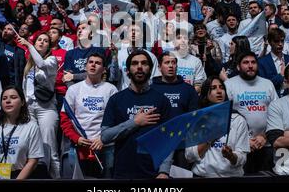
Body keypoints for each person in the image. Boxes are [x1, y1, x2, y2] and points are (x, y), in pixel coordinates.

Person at [101, 50, 172, 179]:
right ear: (127, 71)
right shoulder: (116, 99)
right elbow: (105, 136)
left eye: (144, 63)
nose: (139, 67)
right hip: (122, 172)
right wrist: (135, 122)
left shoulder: (162, 100)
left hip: (154, 173)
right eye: (134, 63)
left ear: (150, 70)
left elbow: (168, 139)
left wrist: (164, 171)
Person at [60, 53, 118, 178]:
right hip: (79, 145)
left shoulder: (111, 89)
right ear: (85, 66)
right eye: (90, 62)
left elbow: (116, 119)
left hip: (105, 146)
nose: (93, 65)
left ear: (103, 69)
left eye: (98, 63)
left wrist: (103, 139)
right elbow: (65, 119)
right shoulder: (73, 89)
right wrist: (77, 138)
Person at [185, 76, 250, 177]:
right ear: (206, 94)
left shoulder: (238, 120)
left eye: (221, 87)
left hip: (231, 177)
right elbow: (189, 156)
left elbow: (242, 158)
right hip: (202, 177)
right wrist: (210, 137)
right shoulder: (197, 120)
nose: (219, 91)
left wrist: (231, 156)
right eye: (213, 88)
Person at [225, 52, 278, 173]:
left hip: (266, 143)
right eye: (246, 62)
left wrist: (264, 136)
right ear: (238, 67)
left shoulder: (267, 84)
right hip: (240, 146)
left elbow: (277, 114)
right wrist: (244, 140)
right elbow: (227, 117)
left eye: (253, 62)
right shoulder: (229, 85)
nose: (250, 66)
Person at [17, 32, 60, 179]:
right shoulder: (29, 64)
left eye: (45, 41)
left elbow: (41, 64)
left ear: (50, 45)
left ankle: (56, 178)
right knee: (33, 150)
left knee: (50, 149)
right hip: (30, 109)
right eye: (39, 40)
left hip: (46, 109)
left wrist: (28, 44)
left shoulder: (52, 60)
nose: (42, 42)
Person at [0, 85, 45, 180]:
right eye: (4, 98)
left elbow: (33, 160)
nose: (8, 101)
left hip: (20, 176)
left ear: (22, 102)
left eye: (13, 97)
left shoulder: (31, 126)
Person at [152, 51, 199, 169]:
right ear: (159, 67)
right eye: (167, 62)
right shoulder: (151, 89)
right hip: (158, 142)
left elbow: (194, 116)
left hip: (182, 143)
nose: (171, 65)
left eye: (173, 62)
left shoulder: (188, 90)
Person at [258, 28, 289, 95]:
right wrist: (281, 75)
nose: (280, 44)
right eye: (276, 41)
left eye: (282, 41)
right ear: (269, 42)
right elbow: (264, 87)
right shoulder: (262, 62)